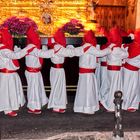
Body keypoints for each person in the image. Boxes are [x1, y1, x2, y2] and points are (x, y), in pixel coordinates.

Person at [47, 28, 90, 113]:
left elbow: (66, 51)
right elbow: (69, 53)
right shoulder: (57, 46)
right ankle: (57, 105)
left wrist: (71, 48)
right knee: (58, 88)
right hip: (57, 70)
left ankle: (59, 104)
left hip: (57, 70)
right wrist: (82, 49)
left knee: (59, 87)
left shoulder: (57, 45)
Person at [73, 30, 112, 114]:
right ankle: (88, 108)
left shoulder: (84, 46)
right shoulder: (90, 47)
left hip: (84, 73)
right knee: (88, 90)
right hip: (88, 73)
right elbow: (100, 53)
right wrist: (109, 49)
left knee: (84, 90)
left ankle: (82, 107)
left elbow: (75, 52)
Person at [0, 28, 35, 117]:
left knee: (11, 91)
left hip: (10, 74)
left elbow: (12, 56)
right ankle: (7, 109)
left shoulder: (5, 48)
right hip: (7, 75)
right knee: (7, 91)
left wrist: (18, 50)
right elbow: (14, 56)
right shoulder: (3, 49)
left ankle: (11, 106)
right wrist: (27, 48)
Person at [25, 27, 55, 114]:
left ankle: (40, 102)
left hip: (35, 72)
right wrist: (54, 50)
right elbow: (42, 54)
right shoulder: (32, 47)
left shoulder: (33, 46)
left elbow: (40, 53)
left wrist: (45, 47)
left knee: (37, 87)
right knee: (33, 89)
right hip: (32, 72)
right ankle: (34, 107)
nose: (38, 39)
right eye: (37, 37)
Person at [100, 27, 128, 112]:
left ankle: (106, 101)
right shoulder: (117, 49)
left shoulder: (110, 46)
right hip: (115, 71)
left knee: (110, 86)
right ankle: (111, 105)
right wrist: (123, 47)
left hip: (109, 70)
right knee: (114, 88)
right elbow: (126, 54)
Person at [122, 29, 140, 112]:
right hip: (132, 72)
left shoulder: (132, 44)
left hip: (127, 70)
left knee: (127, 87)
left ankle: (128, 103)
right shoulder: (138, 48)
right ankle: (129, 105)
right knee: (131, 88)